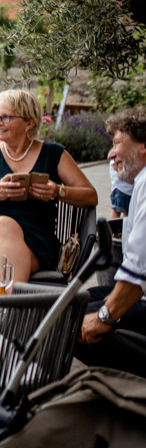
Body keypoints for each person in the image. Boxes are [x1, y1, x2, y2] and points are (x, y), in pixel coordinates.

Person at [0, 89, 98, 282]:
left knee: (14, 262)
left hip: (37, 241)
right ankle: (12, 310)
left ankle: (3, 308)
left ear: (29, 123)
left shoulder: (54, 154)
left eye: (5, 117)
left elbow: (91, 196)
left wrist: (57, 191)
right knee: (5, 225)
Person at [76, 106, 146, 377]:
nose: (110, 154)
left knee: (72, 326)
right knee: (72, 304)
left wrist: (105, 317)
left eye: (117, 143)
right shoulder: (139, 182)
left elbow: (139, 270)